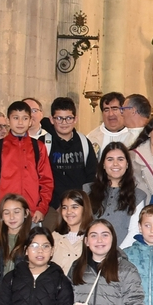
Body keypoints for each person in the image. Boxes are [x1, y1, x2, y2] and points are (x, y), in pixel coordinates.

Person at [0, 100, 53, 224]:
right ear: (8, 121)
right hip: (6, 213)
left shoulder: (38, 147)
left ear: (30, 121)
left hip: (31, 213)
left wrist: (42, 208)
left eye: (25, 118)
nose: (20, 122)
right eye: (16, 118)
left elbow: (46, 181)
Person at [40, 97, 97, 228]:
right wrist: (57, 205)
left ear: (75, 119)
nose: (64, 122)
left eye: (69, 118)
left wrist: (82, 204)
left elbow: (92, 176)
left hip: (79, 206)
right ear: (51, 119)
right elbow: (37, 178)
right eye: (59, 118)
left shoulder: (84, 142)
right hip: (52, 207)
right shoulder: (43, 143)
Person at [84, 142, 147, 247]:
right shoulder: (87, 190)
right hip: (90, 254)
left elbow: (135, 231)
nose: (115, 164)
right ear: (103, 164)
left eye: (120, 159)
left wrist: (116, 254)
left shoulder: (138, 196)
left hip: (121, 256)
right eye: (110, 159)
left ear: (127, 164)